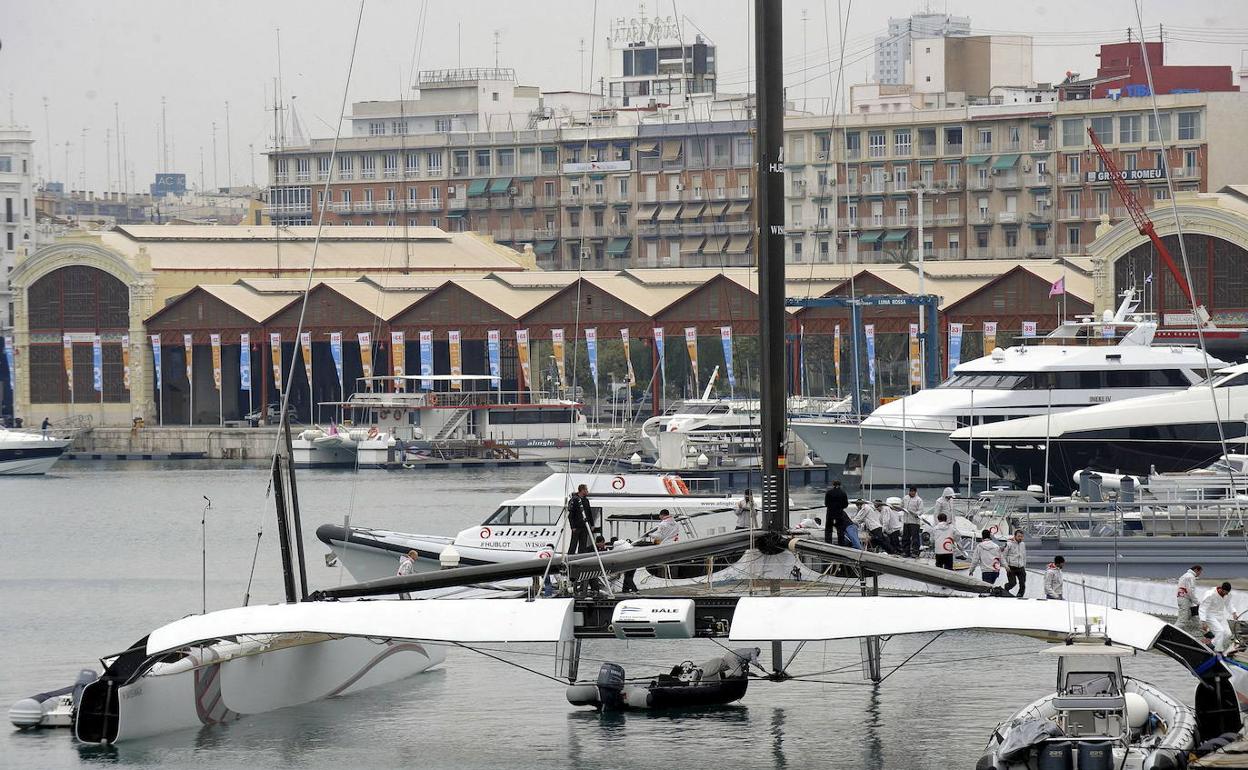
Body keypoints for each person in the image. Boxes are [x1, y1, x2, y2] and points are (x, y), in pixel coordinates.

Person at [1199, 582, 1240, 652]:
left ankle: (1211, 643)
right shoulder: (1210, 594)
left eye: (1228, 593)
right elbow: (1203, 608)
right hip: (1210, 615)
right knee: (1220, 631)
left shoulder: (1228, 594)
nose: (1226, 594)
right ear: (1221, 589)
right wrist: (1203, 621)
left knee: (1228, 633)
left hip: (1220, 615)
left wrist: (1234, 613)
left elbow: (1229, 604)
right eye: (1225, 592)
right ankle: (1218, 651)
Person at [1176, 565, 1203, 637]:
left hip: (1185, 599)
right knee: (1182, 620)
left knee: (1194, 615)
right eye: (1200, 572)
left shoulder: (1185, 576)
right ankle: (1171, 633)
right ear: (1196, 570)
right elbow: (1190, 591)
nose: (1199, 574)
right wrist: (1197, 602)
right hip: (1185, 599)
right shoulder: (1190, 577)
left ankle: (1206, 633)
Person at [567, 484, 594, 554]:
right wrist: (572, 526)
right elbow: (570, 515)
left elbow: (589, 513)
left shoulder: (586, 500)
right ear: (582, 490)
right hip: (576, 526)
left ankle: (581, 556)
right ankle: (570, 556)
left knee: (583, 544)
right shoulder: (574, 500)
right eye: (586, 489)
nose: (587, 491)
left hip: (585, 526)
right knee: (573, 544)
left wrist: (592, 524)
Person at [1001, 530, 1028, 598]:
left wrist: (1024, 566)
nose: (1020, 538)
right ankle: (1006, 588)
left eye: (1021, 537)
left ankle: (1020, 595)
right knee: (1012, 583)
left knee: (1022, 583)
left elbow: (1024, 555)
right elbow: (1003, 556)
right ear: (1015, 536)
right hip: (1011, 567)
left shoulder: (1022, 544)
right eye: (1019, 536)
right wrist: (1006, 566)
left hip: (1020, 567)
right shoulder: (1009, 544)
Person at [824, 480, 850, 546]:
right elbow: (846, 504)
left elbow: (826, 503)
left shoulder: (829, 492)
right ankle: (841, 543)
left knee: (828, 528)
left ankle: (828, 542)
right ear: (840, 485)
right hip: (839, 513)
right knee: (840, 529)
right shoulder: (843, 493)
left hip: (830, 512)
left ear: (833, 485)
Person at [901, 486, 924, 558]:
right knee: (905, 537)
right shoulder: (905, 498)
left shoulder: (919, 500)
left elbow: (921, 510)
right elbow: (901, 506)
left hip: (914, 522)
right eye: (910, 491)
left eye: (913, 491)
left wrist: (917, 514)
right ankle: (905, 551)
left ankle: (915, 552)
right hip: (906, 521)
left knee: (915, 538)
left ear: (915, 492)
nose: (911, 493)